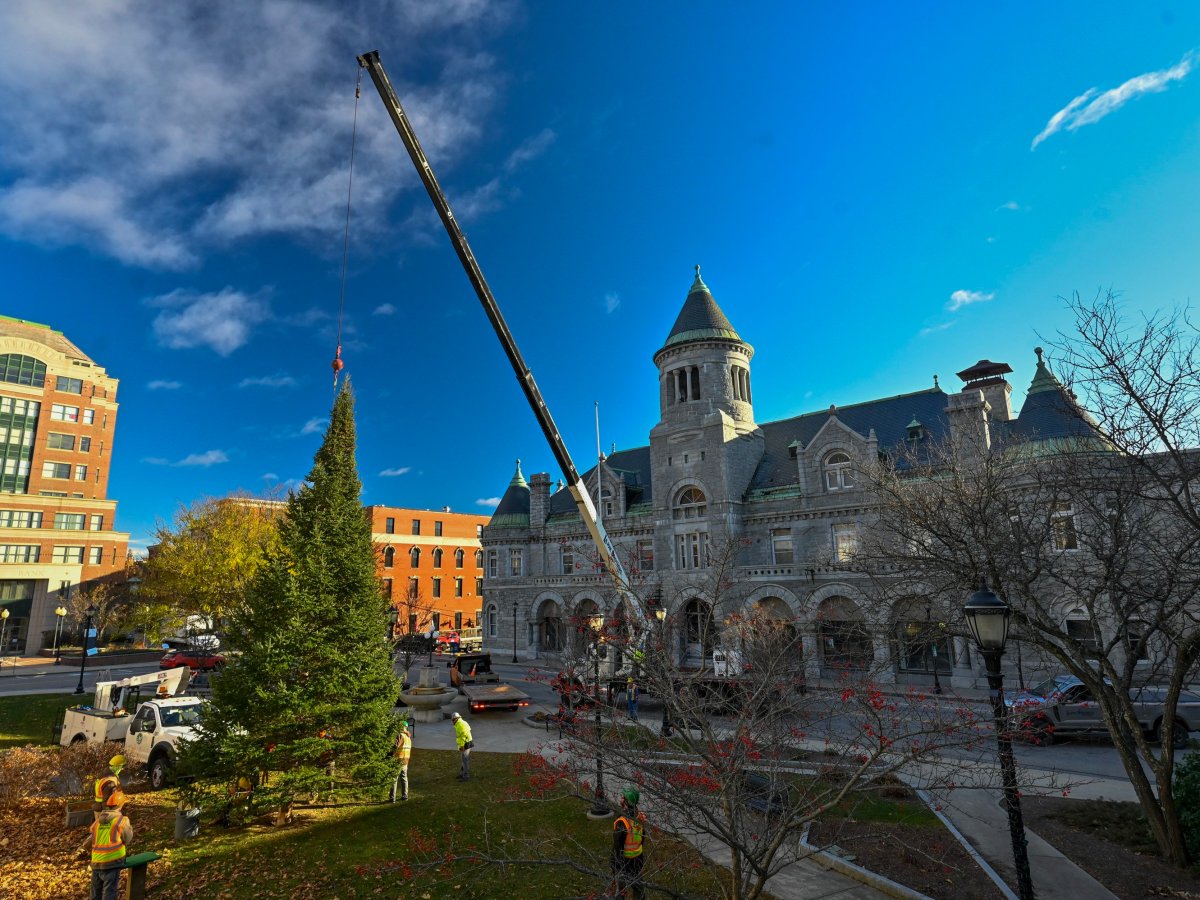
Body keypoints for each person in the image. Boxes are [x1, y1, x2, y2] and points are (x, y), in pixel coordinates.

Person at [78, 782, 133, 900]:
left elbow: (91, 839)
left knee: (95, 894)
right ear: (120, 806)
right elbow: (128, 839)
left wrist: (83, 848)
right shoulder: (121, 821)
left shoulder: (97, 822)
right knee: (109, 893)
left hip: (97, 862)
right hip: (113, 862)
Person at [611, 787, 646, 900]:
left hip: (624, 862)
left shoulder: (622, 823)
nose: (620, 799)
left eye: (623, 797)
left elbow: (617, 847)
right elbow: (642, 838)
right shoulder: (640, 817)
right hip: (638, 860)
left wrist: (615, 865)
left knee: (620, 891)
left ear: (626, 802)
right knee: (638, 889)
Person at [390, 720, 412, 802]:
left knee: (394, 778)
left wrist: (390, 754)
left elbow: (395, 746)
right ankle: (405, 796)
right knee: (404, 778)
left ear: (402, 727)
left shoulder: (400, 735)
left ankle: (392, 798)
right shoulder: (408, 737)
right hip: (406, 760)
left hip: (398, 759)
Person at [451, 711, 473, 780]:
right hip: (466, 742)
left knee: (465, 759)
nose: (452, 721)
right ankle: (462, 773)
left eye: (453, 719)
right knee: (463, 759)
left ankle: (466, 776)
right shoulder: (460, 723)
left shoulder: (460, 724)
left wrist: (462, 746)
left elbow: (463, 735)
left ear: (456, 719)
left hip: (466, 743)